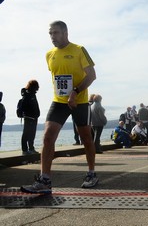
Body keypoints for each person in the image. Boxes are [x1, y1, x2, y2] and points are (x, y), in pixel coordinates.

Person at [21, 20, 98, 194]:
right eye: (50, 33)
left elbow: (92, 75)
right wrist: (66, 94)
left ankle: (92, 173)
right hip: (59, 102)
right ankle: (45, 180)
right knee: (48, 137)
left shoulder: (79, 50)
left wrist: (75, 92)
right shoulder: (49, 55)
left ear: (65, 33)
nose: (52, 37)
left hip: (80, 101)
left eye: (55, 33)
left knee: (86, 138)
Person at [20, 80, 41, 155]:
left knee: (32, 134)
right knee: (26, 134)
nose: (37, 88)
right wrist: (29, 113)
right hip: (29, 117)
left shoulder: (32, 94)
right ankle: (25, 150)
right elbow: (24, 106)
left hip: (33, 117)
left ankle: (31, 148)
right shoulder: (27, 94)